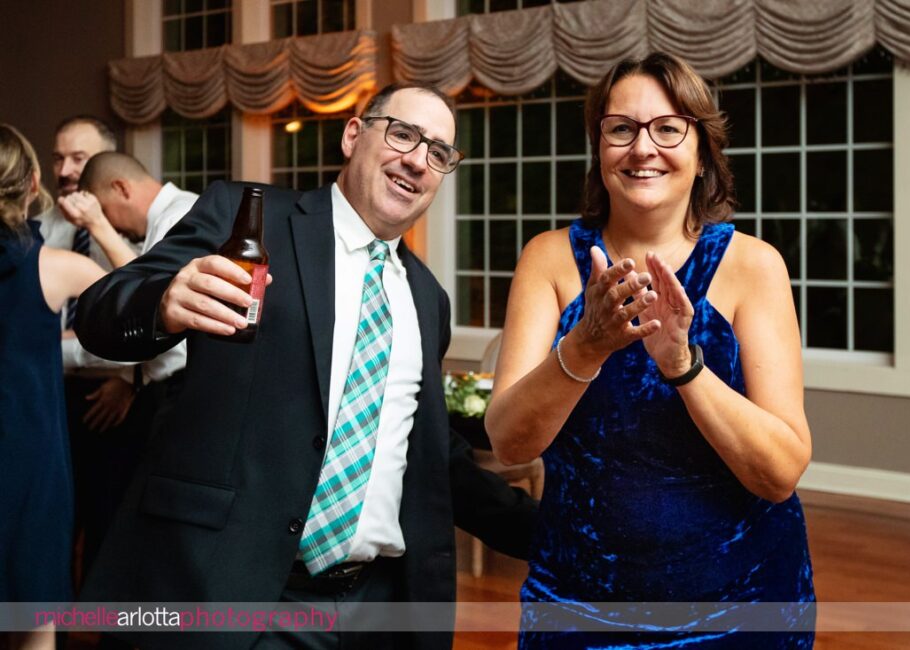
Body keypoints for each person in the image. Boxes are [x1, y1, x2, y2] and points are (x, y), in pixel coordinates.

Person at [74, 83, 537, 650]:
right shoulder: (244, 217)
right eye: (403, 134)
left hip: (377, 608)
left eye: (439, 153)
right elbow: (102, 312)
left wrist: (554, 531)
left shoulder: (426, 297)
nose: (418, 159)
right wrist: (164, 302)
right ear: (352, 135)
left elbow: (430, 456)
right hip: (233, 596)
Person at [486, 52, 816, 648]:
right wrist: (585, 347)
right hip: (577, 608)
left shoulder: (753, 266)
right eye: (622, 129)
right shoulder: (549, 260)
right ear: (599, 146)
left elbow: (781, 473)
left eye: (668, 128)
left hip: (742, 607)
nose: (643, 148)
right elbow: (509, 444)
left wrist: (683, 365)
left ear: (701, 151)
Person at [55, 151, 196, 580]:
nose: (114, 228)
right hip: (156, 391)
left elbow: (154, 304)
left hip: (180, 396)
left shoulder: (183, 215)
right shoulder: (163, 221)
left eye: (109, 214)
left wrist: (97, 225)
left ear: (120, 189)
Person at [0, 124, 104, 649]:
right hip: (28, 466)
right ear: (34, 181)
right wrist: (100, 225)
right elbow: (148, 296)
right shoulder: (54, 266)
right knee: (34, 621)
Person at [32, 116, 148, 579]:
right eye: (58, 157)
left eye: (78, 158)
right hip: (47, 396)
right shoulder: (36, 228)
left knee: (109, 531)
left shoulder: (129, 234)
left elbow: (150, 313)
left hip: (111, 401)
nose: (64, 170)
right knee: (47, 528)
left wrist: (128, 378)